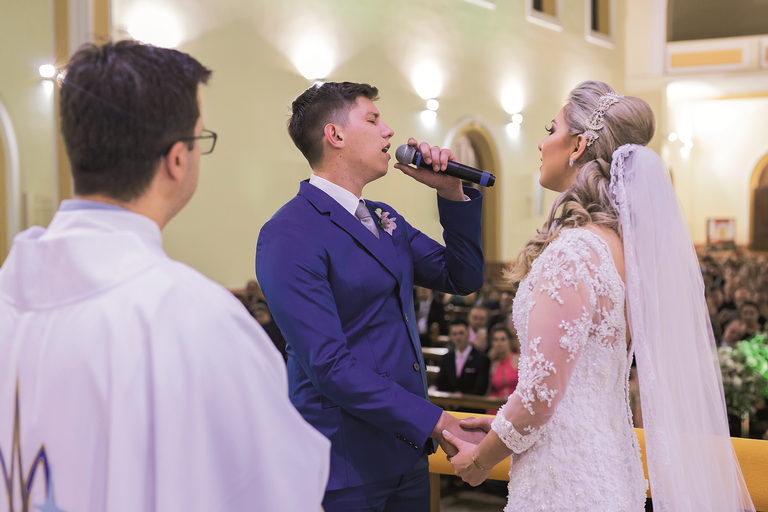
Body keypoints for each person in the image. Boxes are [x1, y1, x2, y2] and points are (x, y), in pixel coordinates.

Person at [0, 41, 330, 512]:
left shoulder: (9, 296)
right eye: (201, 137)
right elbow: (277, 493)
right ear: (177, 159)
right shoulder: (199, 323)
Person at [442, 81, 754, 511]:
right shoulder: (625, 251)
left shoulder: (576, 251)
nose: (540, 141)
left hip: (565, 482)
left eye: (551, 129)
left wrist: (482, 457)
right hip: (606, 468)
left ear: (577, 146)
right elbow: (574, 385)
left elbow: (540, 396)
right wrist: (502, 426)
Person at [254, 81, 485, 511]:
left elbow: (462, 276)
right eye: (374, 119)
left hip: (405, 449)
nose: (389, 132)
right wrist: (432, 419)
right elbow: (328, 364)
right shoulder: (289, 233)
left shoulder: (382, 217)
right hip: (343, 462)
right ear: (336, 135)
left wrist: (450, 193)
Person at [433, 319, 491, 413]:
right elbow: (440, 380)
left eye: (461, 333)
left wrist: (462, 397)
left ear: (468, 333)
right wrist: (434, 387)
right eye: (454, 334)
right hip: (449, 409)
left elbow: (480, 389)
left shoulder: (481, 359)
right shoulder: (447, 358)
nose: (458, 337)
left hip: (472, 409)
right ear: (450, 336)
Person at [485, 324, 519, 414]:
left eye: (503, 339)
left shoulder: (518, 360)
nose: (499, 343)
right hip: (496, 407)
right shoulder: (493, 365)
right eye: (496, 340)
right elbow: (489, 391)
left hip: (516, 406)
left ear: (509, 341)